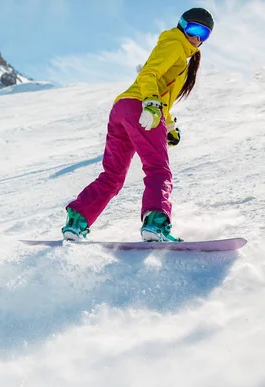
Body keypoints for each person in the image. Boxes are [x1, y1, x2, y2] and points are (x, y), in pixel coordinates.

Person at [62, 8, 214, 242]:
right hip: (140, 106)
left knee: (112, 175)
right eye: (193, 29)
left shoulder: (179, 51)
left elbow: (162, 94)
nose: (196, 37)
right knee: (158, 169)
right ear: (182, 25)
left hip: (122, 108)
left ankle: (78, 220)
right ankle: (155, 224)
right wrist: (151, 104)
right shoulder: (174, 44)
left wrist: (170, 125)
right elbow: (149, 74)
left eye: (203, 34)